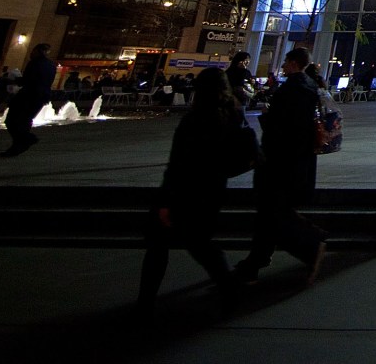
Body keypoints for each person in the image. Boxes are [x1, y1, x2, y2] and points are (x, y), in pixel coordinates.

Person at [138, 67, 253, 309]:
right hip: (213, 188)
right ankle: (231, 288)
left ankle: (146, 300)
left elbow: (179, 160)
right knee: (201, 243)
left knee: (162, 245)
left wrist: (166, 198)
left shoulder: (197, 118)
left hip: (185, 189)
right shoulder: (233, 114)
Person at [233, 47, 327, 284]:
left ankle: (310, 242)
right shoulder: (308, 85)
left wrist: (267, 117)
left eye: (286, 61)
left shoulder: (294, 88)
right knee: (272, 211)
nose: (283, 65)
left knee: (272, 211)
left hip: (281, 159)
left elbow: (283, 126)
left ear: (294, 63)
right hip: (293, 159)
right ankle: (257, 259)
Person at [0, 43, 55, 158]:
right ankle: (19, 145)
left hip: (29, 95)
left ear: (37, 51)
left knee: (11, 120)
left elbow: (28, 80)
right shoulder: (51, 65)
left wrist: (12, 79)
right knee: (25, 120)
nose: (30, 53)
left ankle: (26, 139)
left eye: (32, 51)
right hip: (42, 96)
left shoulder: (35, 63)